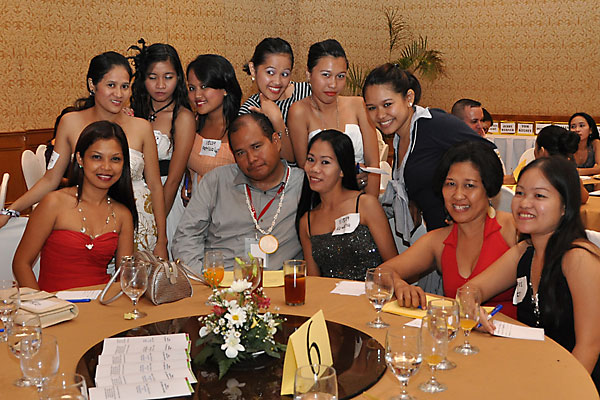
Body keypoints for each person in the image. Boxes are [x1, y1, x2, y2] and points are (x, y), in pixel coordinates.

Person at [0, 51, 167, 257]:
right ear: (92, 84)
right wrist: (11, 210)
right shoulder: (71, 123)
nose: (119, 94)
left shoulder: (141, 127)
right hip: (89, 222)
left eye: (124, 86)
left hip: (138, 221)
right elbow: (51, 178)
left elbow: (155, 186)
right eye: (111, 85)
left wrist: (162, 239)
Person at [363, 64, 494, 294]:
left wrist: (463, 200)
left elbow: (488, 155)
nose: (380, 115)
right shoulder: (401, 136)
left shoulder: (433, 124)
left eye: (387, 104)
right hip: (439, 242)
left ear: (408, 98)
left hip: (466, 241)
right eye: (372, 108)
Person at [471, 156, 600, 390]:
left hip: (580, 383)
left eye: (539, 196)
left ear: (565, 207)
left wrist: (558, 391)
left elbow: (589, 348)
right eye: (520, 193)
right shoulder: (525, 251)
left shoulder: (578, 259)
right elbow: (471, 290)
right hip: (538, 371)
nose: (524, 203)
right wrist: (471, 307)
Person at [378, 141, 517, 318]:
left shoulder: (512, 229)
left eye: (469, 185)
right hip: (459, 333)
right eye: (450, 184)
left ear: (489, 190)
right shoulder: (438, 241)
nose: (457, 195)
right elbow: (381, 273)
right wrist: (400, 285)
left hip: (510, 333)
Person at [13, 121, 135, 291]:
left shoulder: (123, 214)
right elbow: (21, 263)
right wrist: (40, 302)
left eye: (115, 159)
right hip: (54, 304)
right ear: (80, 159)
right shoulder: (54, 203)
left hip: (102, 303)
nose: (106, 167)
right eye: (96, 157)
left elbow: (124, 278)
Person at [172, 112, 303, 271]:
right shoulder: (216, 181)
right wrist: (204, 278)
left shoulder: (303, 186)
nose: (251, 158)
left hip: (281, 282)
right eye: (241, 153)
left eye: (256, 147)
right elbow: (186, 238)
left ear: (276, 141)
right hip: (221, 280)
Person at [297, 130, 397, 280]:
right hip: (328, 295)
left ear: (342, 170)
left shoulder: (365, 205)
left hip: (371, 292)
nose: (314, 169)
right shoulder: (307, 221)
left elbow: (395, 266)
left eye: (325, 162)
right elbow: (314, 281)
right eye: (311, 159)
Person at [287, 39, 380, 196]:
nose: (333, 84)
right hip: (320, 199)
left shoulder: (359, 105)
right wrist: (346, 181)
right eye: (326, 75)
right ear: (309, 74)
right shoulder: (299, 112)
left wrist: (369, 204)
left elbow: (374, 166)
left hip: (361, 196)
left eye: (340, 76)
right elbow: (305, 168)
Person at [129, 40, 196, 247]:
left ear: (178, 78)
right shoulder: (133, 111)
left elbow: (174, 179)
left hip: (168, 200)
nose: (160, 85)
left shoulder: (183, 117)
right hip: (132, 195)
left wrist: (156, 223)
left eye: (168, 77)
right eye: (153, 77)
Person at [239, 37, 311, 162]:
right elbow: (290, 161)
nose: (277, 81)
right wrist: (276, 120)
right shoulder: (249, 112)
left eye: (284, 74)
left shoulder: (307, 93)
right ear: (253, 69)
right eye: (270, 72)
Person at [185, 54, 241, 191]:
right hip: (195, 202)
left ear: (225, 89)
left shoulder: (241, 128)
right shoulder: (193, 123)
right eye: (192, 88)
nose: (197, 95)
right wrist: (187, 180)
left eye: (204, 86)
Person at [505, 125, 588, 203]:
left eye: (535, 148)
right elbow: (584, 198)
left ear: (542, 151)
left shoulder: (531, 174)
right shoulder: (571, 174)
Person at [570, 112, 600, 176]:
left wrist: (578, 171)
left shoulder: (595, 143)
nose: (577, 130)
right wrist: (593, 170)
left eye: (581, 126)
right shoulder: (566, 145)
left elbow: (599, 168)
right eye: (573, 127)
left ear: (590, 130)